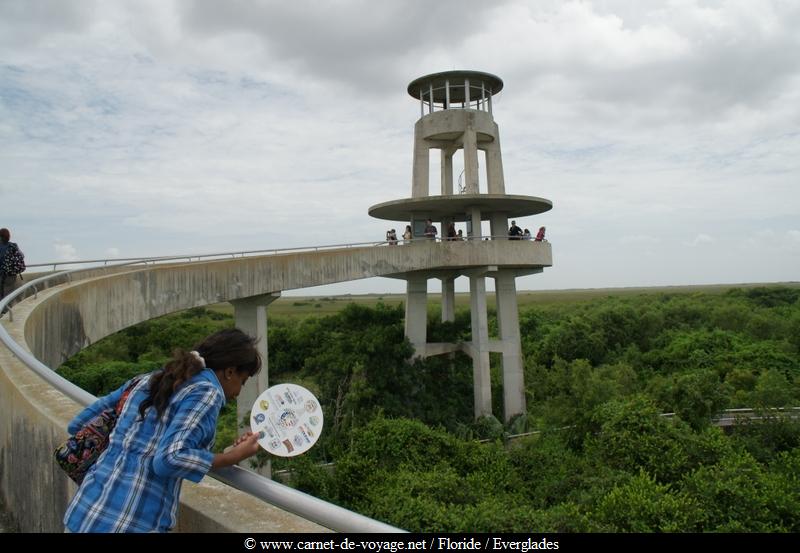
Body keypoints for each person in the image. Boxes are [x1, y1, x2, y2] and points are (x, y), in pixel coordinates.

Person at [63, 328, 263, 533]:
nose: (239, 392)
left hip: (84, 513)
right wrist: (232, 457)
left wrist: (130, 439)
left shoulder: (149, 379)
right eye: (243, 381)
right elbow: (170, 459)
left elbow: (79, 424)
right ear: (230, 372)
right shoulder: (206, 392)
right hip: (130, 522)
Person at [0, 228, 23, 299]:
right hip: (11, 274)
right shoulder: (13, 246)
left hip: (1, 273)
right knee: (8, 296)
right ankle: (6, 309)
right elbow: (22, 256)